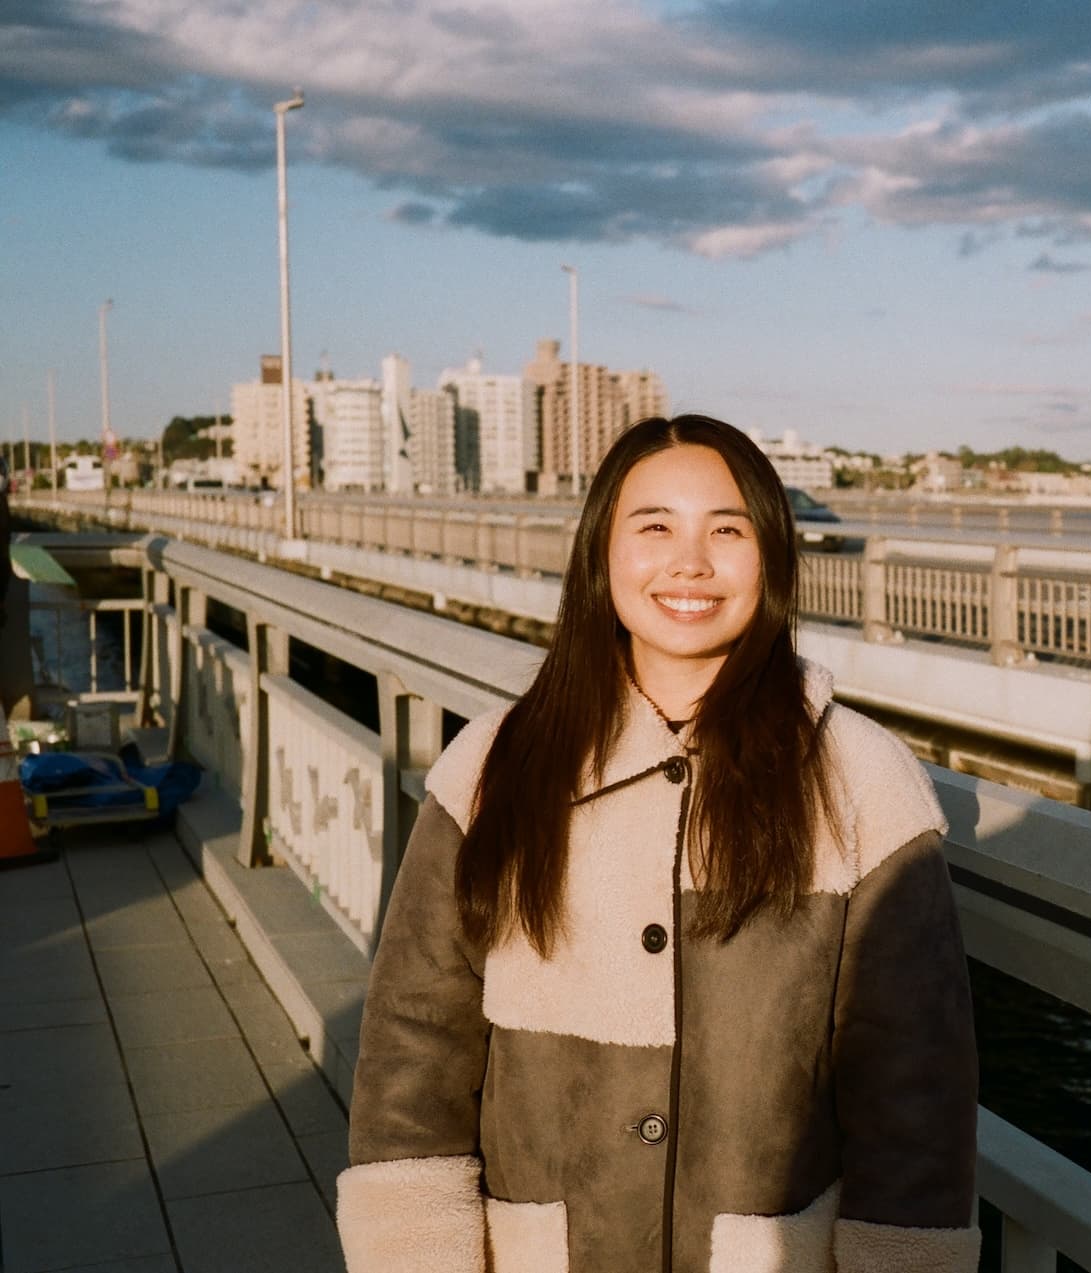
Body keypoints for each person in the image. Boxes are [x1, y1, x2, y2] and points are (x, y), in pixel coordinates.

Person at [337, 415, 978, 1272]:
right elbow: (415, 1046)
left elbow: (914, 1090)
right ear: (601, 552)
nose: (691, 563)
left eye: (727, 529)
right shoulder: (495, 766)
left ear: (774, 557)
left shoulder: (863, 780)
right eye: (654, 528)